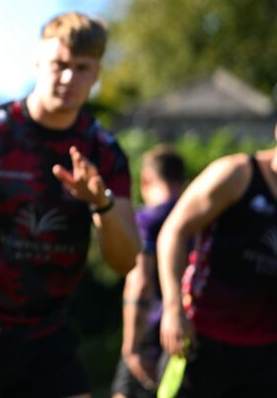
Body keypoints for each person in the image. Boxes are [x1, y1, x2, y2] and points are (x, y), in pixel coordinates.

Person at [0, 11, 140, 398]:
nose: (68, 78)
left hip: (45, 339)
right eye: (59, 65)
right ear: (38, 61)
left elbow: (125, 261)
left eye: (82, 68)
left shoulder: (104, 151)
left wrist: (100, 204)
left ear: (97, 74)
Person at [157, 124, 277, 397]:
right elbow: (174, 231)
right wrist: (173, 309)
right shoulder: (238, 174)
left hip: (267, 353)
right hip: (202, 340)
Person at [111, 145, 185, 398]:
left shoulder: (147, 220)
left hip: (151, 332)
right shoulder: (195, 219)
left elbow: (140, 281)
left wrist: (132, 348)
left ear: (145, 180)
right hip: (187, 330)